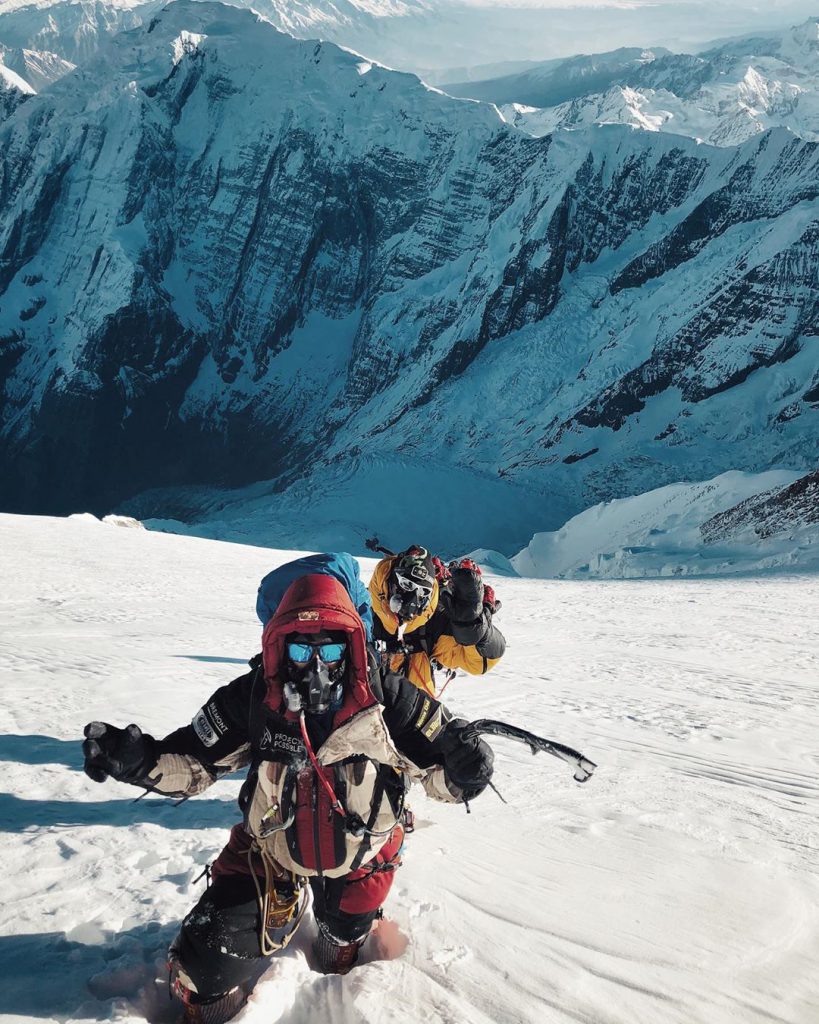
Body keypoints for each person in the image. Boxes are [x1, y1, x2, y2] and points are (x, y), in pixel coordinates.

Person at [82, 572, 494, 1024]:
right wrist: (141, 761)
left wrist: (464, 771)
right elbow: (196, 762)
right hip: (270, 851)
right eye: (300, 650)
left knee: (343, 933)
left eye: (330, 650)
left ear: (351, 646)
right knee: (204, 968)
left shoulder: (389, 698)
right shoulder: (253, 698)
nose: (315, 665)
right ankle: (217, 998)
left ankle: (341, 945)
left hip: (362, 851)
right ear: (280, 647)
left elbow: (439, 774)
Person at [368, 545, 505, 696]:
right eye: (406, 585)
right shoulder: (362, 611)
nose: (412, 600)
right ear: (390, 581)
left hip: (417, 715)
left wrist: (475, 630)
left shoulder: (432, 625)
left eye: (422, 592)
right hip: (361, 715)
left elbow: (481, 663)